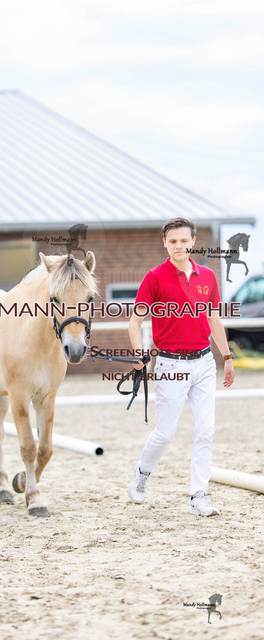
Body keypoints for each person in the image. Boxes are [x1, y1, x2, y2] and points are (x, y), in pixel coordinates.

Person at [128, 217, 235, 516]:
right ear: (165, 243)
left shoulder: (207, 276)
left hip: (204, 362)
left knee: (206, 430)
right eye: (173, 241)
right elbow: (135, 322)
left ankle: (198, 495)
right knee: (165, 433)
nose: (179, 246)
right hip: (170, 364)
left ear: (193, 242)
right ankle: (142, 474)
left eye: (184, 240)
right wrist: (139, 354)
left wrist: (227, 357)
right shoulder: (154, 278)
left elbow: (214, 319)